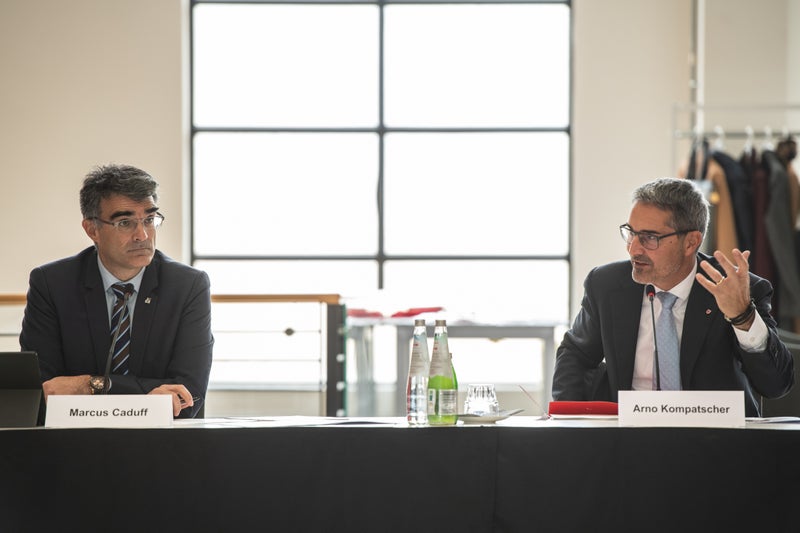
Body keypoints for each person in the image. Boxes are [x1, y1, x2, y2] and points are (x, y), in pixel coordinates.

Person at [552, 177, 794, 417]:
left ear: (691, 242)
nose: (633, 249)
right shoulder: (606, 285)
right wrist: (572, 425)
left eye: (649, 238)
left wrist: (743, 316)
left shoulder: (736, 290)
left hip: (715, 434)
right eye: (631, 233)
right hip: (629, 433)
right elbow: (575, 355)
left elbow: (776, 385)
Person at [20, 164, 213, 418]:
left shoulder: (188, 286)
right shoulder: (52, 284)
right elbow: (43, 392)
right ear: (92, 230)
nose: (142, 235)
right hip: (73, 435)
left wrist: (91, 385)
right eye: (125, 223)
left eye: (149, 220)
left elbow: (188, 396)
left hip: (162, 436)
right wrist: (148, 396)